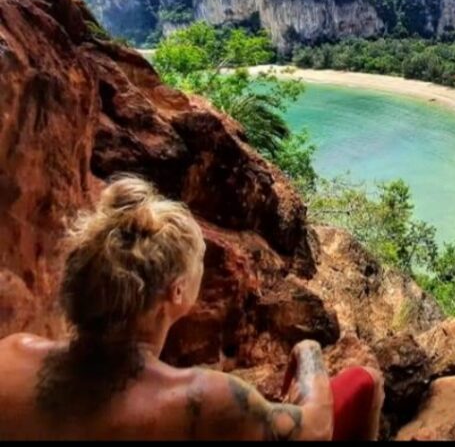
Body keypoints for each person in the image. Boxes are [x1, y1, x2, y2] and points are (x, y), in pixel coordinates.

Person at [0, 175, 384, 441]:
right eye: (199, 261)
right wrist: (310, 352)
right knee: (366, 380)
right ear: (177, 292)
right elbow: (316, 429)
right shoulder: (204, 400)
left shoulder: (11, 355)